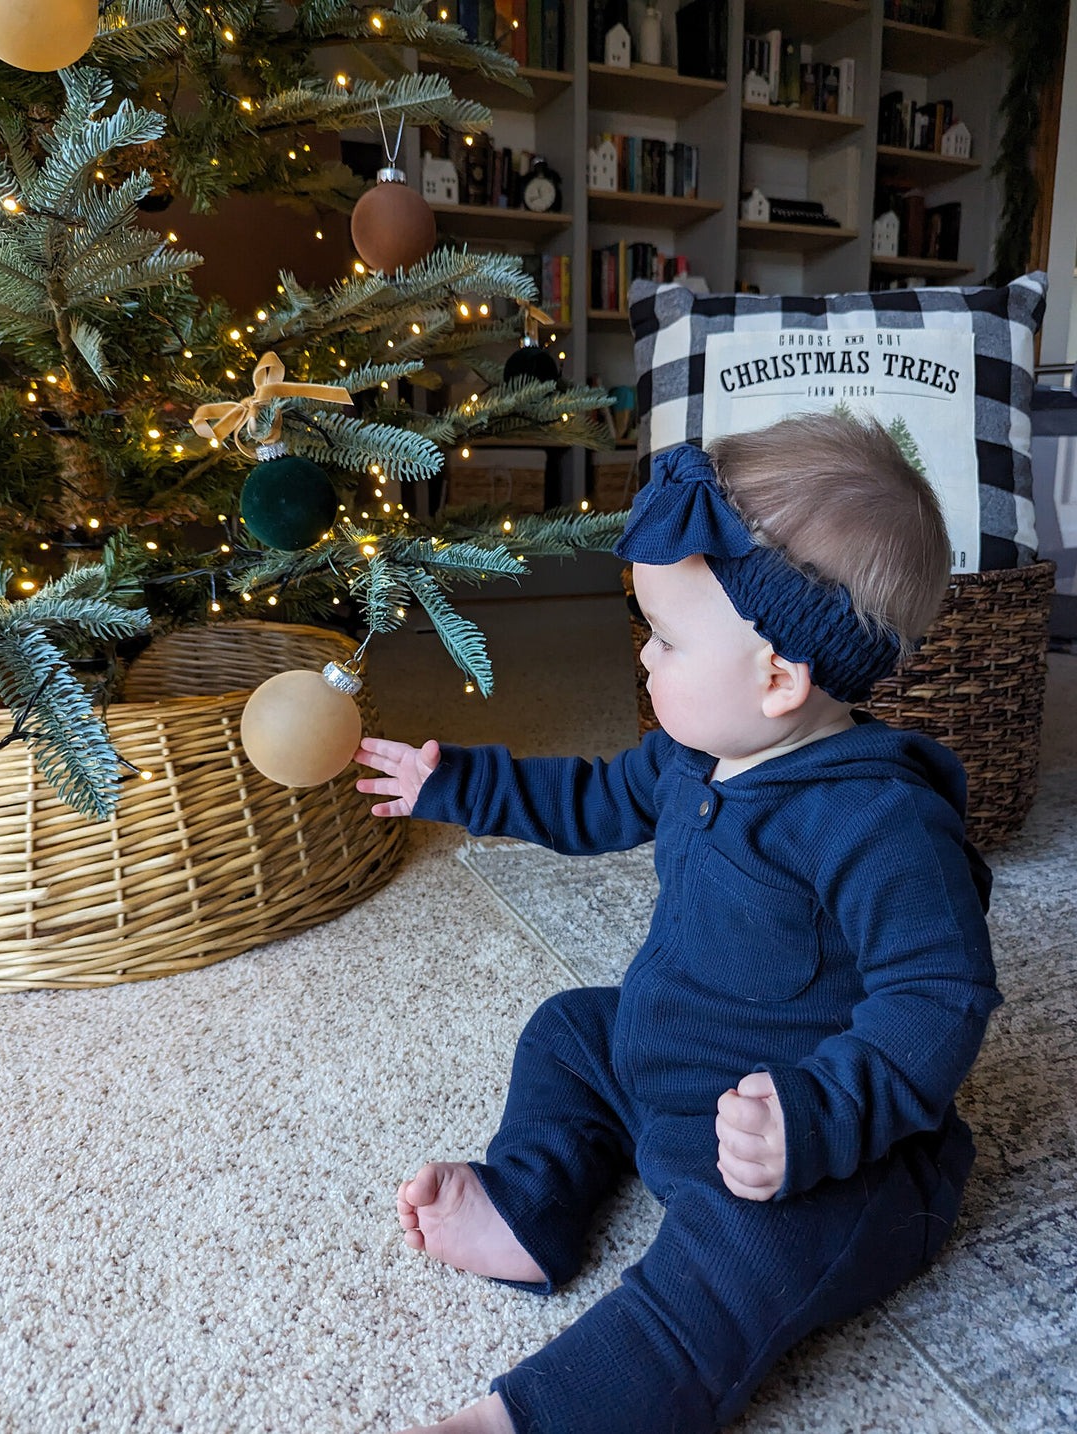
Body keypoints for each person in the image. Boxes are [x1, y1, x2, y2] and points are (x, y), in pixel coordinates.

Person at [354, 413, 1002, 1434]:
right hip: (673, 1061)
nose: (644, 657)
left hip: (818, 1145)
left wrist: (818, 1118)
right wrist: (462, 782)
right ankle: (530, 1206)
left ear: (779, 678)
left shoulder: (881, 820)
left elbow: (941, 995)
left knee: (742, 1260)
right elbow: (592, 801)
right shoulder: (695, 752)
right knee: (570, 1027)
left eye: (665, 636)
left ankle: (538, 1416)